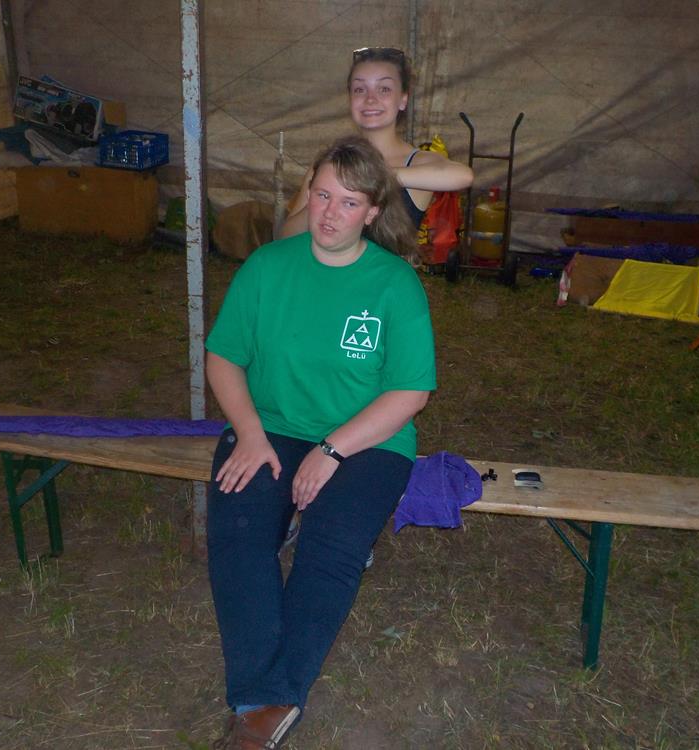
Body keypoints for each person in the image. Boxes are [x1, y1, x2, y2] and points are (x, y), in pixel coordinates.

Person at [205, 135, 437, 749]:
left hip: (368, 440)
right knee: (237, 534)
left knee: (330, 549)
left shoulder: (394, 285)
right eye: (323, 195)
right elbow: (223, 357)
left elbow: (409, 394)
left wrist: (331, 450)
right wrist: (249, 435)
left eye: (349, 202)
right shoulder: (267, 267)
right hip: (270, 427)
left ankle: (263, 708)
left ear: (372, 211)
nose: (330, 213)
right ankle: (264, 699)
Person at [279, 46, 473, 239]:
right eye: (360, 89)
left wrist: (373, 176)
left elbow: (463, 176)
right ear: (350, 98)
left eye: (384, 89)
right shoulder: (330, 162)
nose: (370, 99)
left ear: (403, 99)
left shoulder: (416, 162)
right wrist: (322, 201)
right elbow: (285, 237)